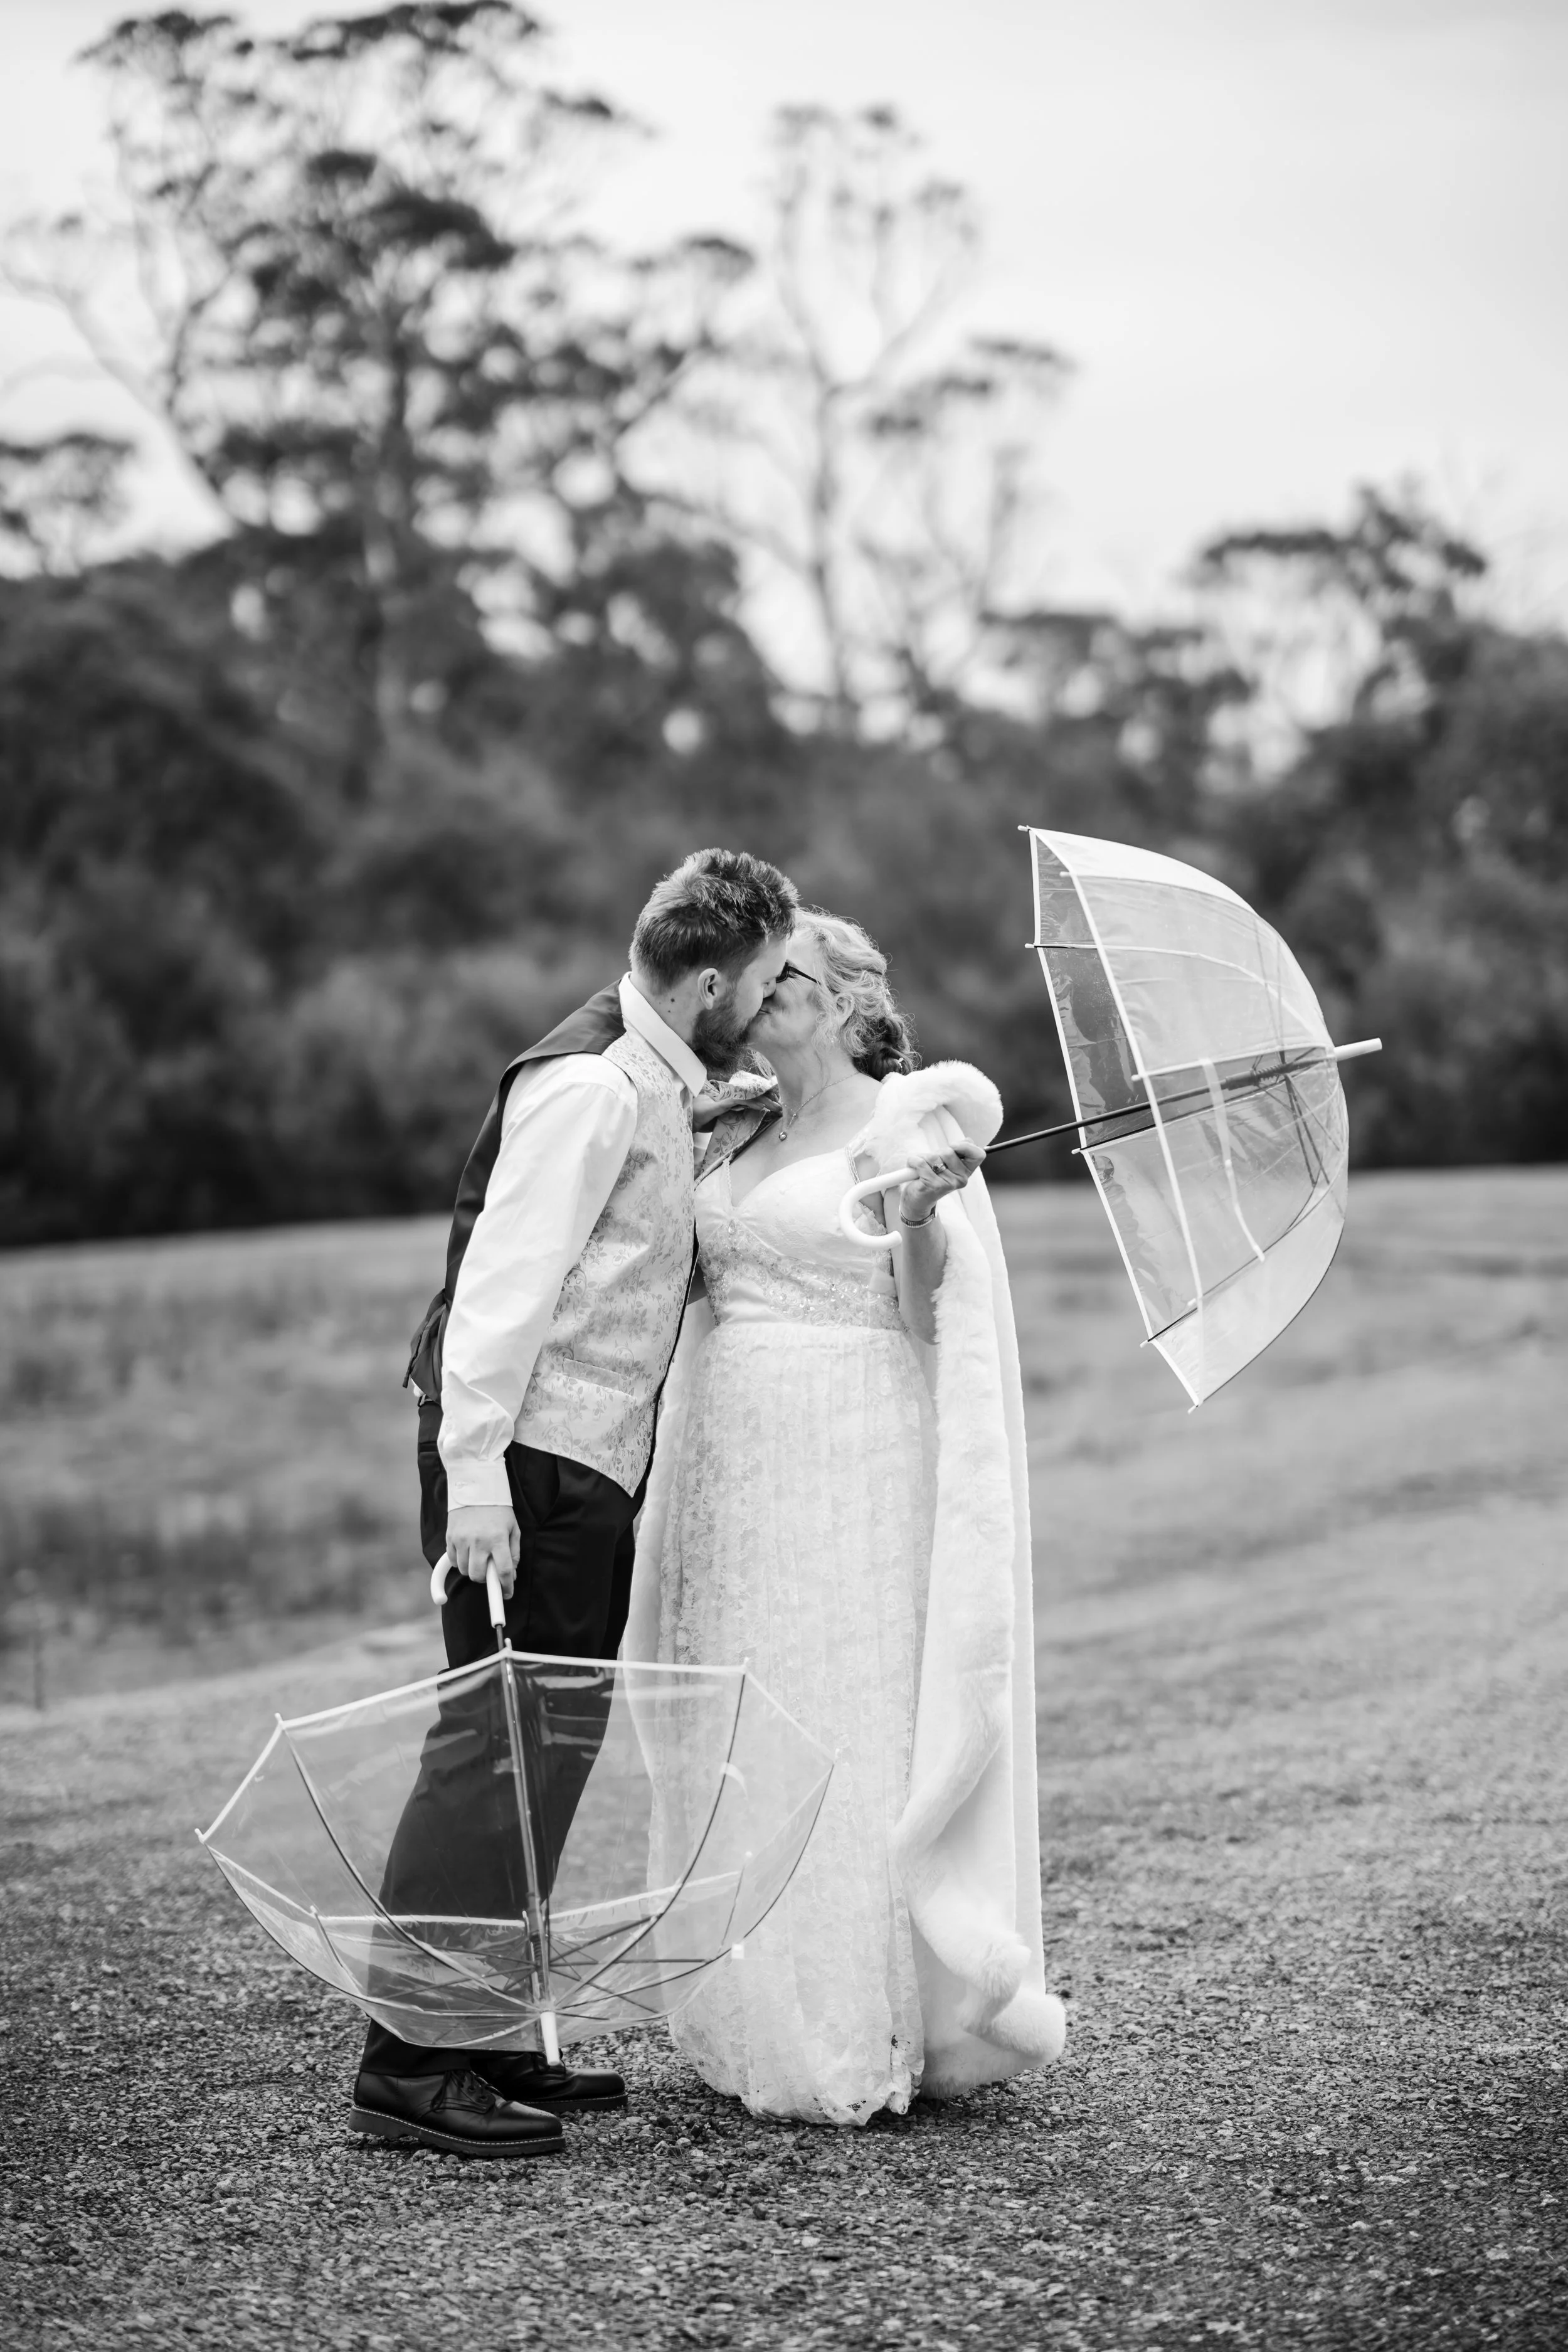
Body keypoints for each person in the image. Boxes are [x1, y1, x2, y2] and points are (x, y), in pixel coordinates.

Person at [349, 847, 798, 2159]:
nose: (767, 1002)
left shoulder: (650, 1080)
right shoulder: (595, 1087)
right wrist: (474, 1479)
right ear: (711, 979)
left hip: (581, 1466)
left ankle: (484, 2036)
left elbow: (625, 1253)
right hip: (527, 1469)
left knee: (544, 1755)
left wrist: (706, 1123)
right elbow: (501, 1288)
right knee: (491, 1753)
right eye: (765, 979)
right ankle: (408, 2064)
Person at [626, 911, 1067, 2125]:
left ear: (846, 1002)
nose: (762, 995)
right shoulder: (741, 1119)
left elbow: (928, 1326)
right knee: (748, 1708)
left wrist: (921, 1213)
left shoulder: (899, 1121)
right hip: (734, 1462)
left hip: (851, 1446)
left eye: (786, 978)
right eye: (761, 978)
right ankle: (749, 2002)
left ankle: (849, 2017)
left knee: (839, 1705)